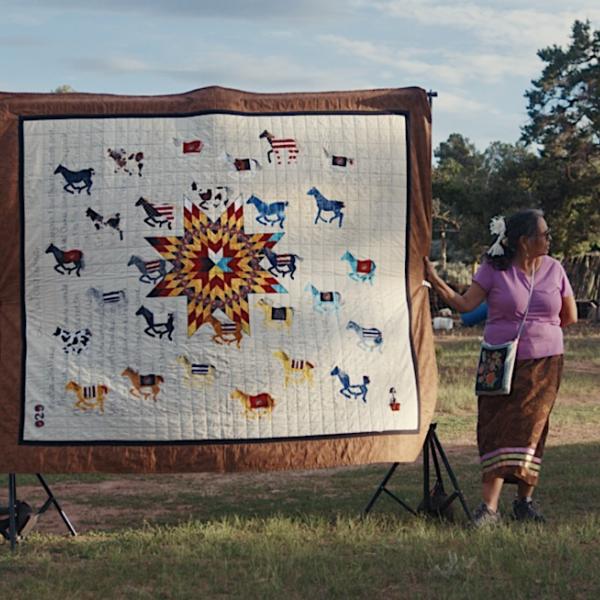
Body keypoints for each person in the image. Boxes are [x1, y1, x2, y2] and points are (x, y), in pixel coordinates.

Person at [424, 209, 577, 526]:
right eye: (544, 234)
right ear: (524, 241)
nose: (549, 238)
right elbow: (465, 304)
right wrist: (434, 280)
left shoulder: (555, 269)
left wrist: (541, 333)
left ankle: (524, 502)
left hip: (545, 363)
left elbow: (569, 316)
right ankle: (489, 508)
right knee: (495, 426)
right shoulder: (494, 269)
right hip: (498, 360)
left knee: (532, 428)